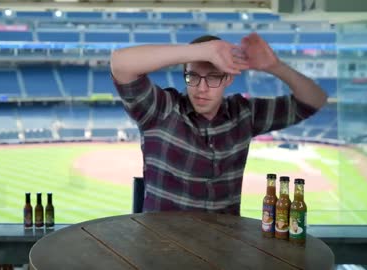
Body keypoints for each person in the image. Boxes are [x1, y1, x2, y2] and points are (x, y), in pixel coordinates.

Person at [110, 33, 327, 215]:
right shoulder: (160, 110)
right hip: (164, 247)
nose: (201, 88)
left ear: (229, 78)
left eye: (213, 77)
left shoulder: (244, 114)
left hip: (224, 248)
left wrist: (275, 66)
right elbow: (120, 63)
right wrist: (202, 51)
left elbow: (314, 100)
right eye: (193, 76)